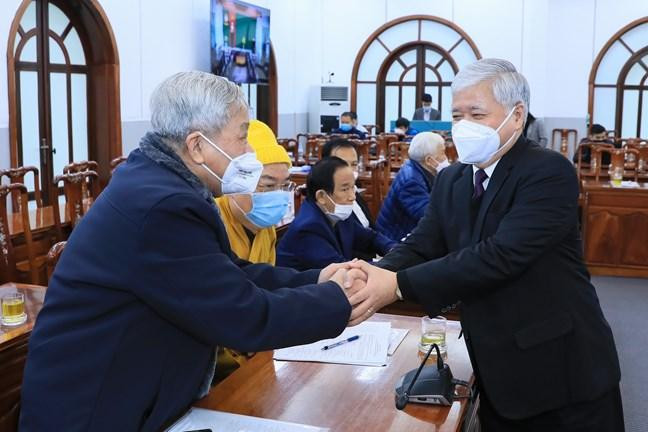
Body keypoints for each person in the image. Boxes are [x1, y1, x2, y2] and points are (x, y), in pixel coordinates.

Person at [19, 71, 369, 431]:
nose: (249, 151)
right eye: (242, 136)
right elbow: (242, 315)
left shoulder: (165, 182)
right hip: (93, 413)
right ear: (197, 146)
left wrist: (316, 279)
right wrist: (338, 299)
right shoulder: (161, 205)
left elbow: (229, 272)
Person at [347, 59, 623, 431]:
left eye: (477, 114)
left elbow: (500, 256)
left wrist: (396, 285)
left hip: (561, 375)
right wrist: (373, 275)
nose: (464, 126)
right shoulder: (453, 179)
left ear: (516, 115)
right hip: (495, 369)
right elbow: (423, 244)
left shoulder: (547, 171)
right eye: (456, 116)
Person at [276, 157, 396, 271]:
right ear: (321, 196)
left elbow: (371, 238)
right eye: (345, 189)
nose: (352, 197)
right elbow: (343, 269)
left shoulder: (336, 213)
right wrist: (394, 263)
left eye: (352, 188)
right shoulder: (308, 228)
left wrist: (395, 251)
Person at [215, 119, 293, 265]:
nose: (277, 195)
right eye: (268, 185)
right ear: (235, 184)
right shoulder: (213, 222)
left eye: (285, 185)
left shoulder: (266, 228)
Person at [377, 132, 448, 242]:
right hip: (394, 240)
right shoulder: (411, 181)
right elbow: (428, 215)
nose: (446, 158)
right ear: (429, 160)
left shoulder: (417, 168)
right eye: (443, 153)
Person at [321, 138, 374, 229]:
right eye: (342, 165)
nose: (349, 170)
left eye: (354, 164)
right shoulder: (328, 200)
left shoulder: (353, 190)